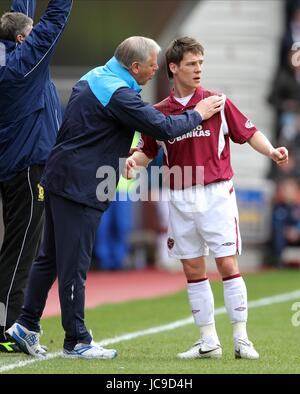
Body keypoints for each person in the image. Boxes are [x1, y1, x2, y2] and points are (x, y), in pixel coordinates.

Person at [6, 36, 224, 359]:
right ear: (135, 67)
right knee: (73, 265)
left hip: (62, 177)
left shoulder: (96, 76)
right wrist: (199, 113)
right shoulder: (118, 93)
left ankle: (24, 326)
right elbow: (162, 126)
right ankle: (76, 340)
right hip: (79, 186)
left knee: (50, 258)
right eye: (152, 67)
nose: (155, 72)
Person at [124, 36, 289, 360]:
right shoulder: (159, 112)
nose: (198, 69)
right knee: (193, 268)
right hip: (180, 195)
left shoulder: (218, 101)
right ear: (173, 68)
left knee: (227, 263)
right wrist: (132, 163)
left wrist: (271, 150)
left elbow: (249, 132)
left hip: (216, 194)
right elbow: (148, 150)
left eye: (201, 63)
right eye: (191, 64)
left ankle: (242, 338)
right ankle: (208, 341)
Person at [0, 0, 72, 353]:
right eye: (30, 36)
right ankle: (6, 328)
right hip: (28, 171)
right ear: (20, 41)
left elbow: (22, 13)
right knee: (20, 254)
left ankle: (4, 323)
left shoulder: (9, 57)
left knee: (16, 250)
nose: (36, 40)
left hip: (17, 167)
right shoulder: (22, 67)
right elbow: (54, 20)